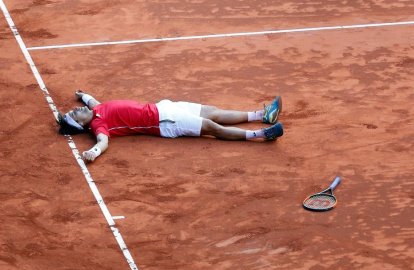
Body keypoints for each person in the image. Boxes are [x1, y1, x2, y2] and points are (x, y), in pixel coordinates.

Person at [57, 90, 284, 162]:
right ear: (80, 124)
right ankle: (262, 134)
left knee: (213, 111)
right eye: (74, 114)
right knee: (211, 127)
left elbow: (91, 101)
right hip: (164, 122)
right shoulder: (98, 124)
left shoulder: (96, 109)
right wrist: (93, 152)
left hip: (165, 107)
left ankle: (264, 115)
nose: (76, 109)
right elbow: (103, 141)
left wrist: (83, 95)